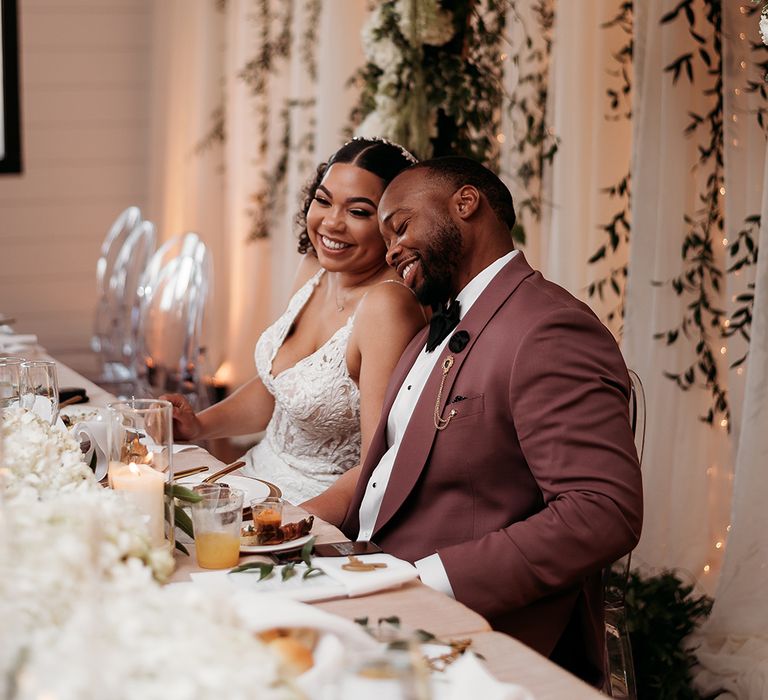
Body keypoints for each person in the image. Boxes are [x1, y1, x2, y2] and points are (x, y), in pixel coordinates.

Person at [303, 156, 643, 685]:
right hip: (362, 579)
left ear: (465, 203)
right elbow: (384, 479)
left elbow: (602, 512)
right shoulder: (428, 332)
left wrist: (423, 581)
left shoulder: (548, 327)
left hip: (460, 627)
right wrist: (290, 531)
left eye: (401, 226)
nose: (391, 250)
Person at [165, 138, 426, 503]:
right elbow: (279, 391)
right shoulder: (315, 267)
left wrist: (286, 527)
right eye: (323, 200)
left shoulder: (387, 307)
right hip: (248, 479)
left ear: (394, 224)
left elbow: (377, 466)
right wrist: (198, 425)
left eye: (358, 212)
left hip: (312, 513)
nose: (331, 223)